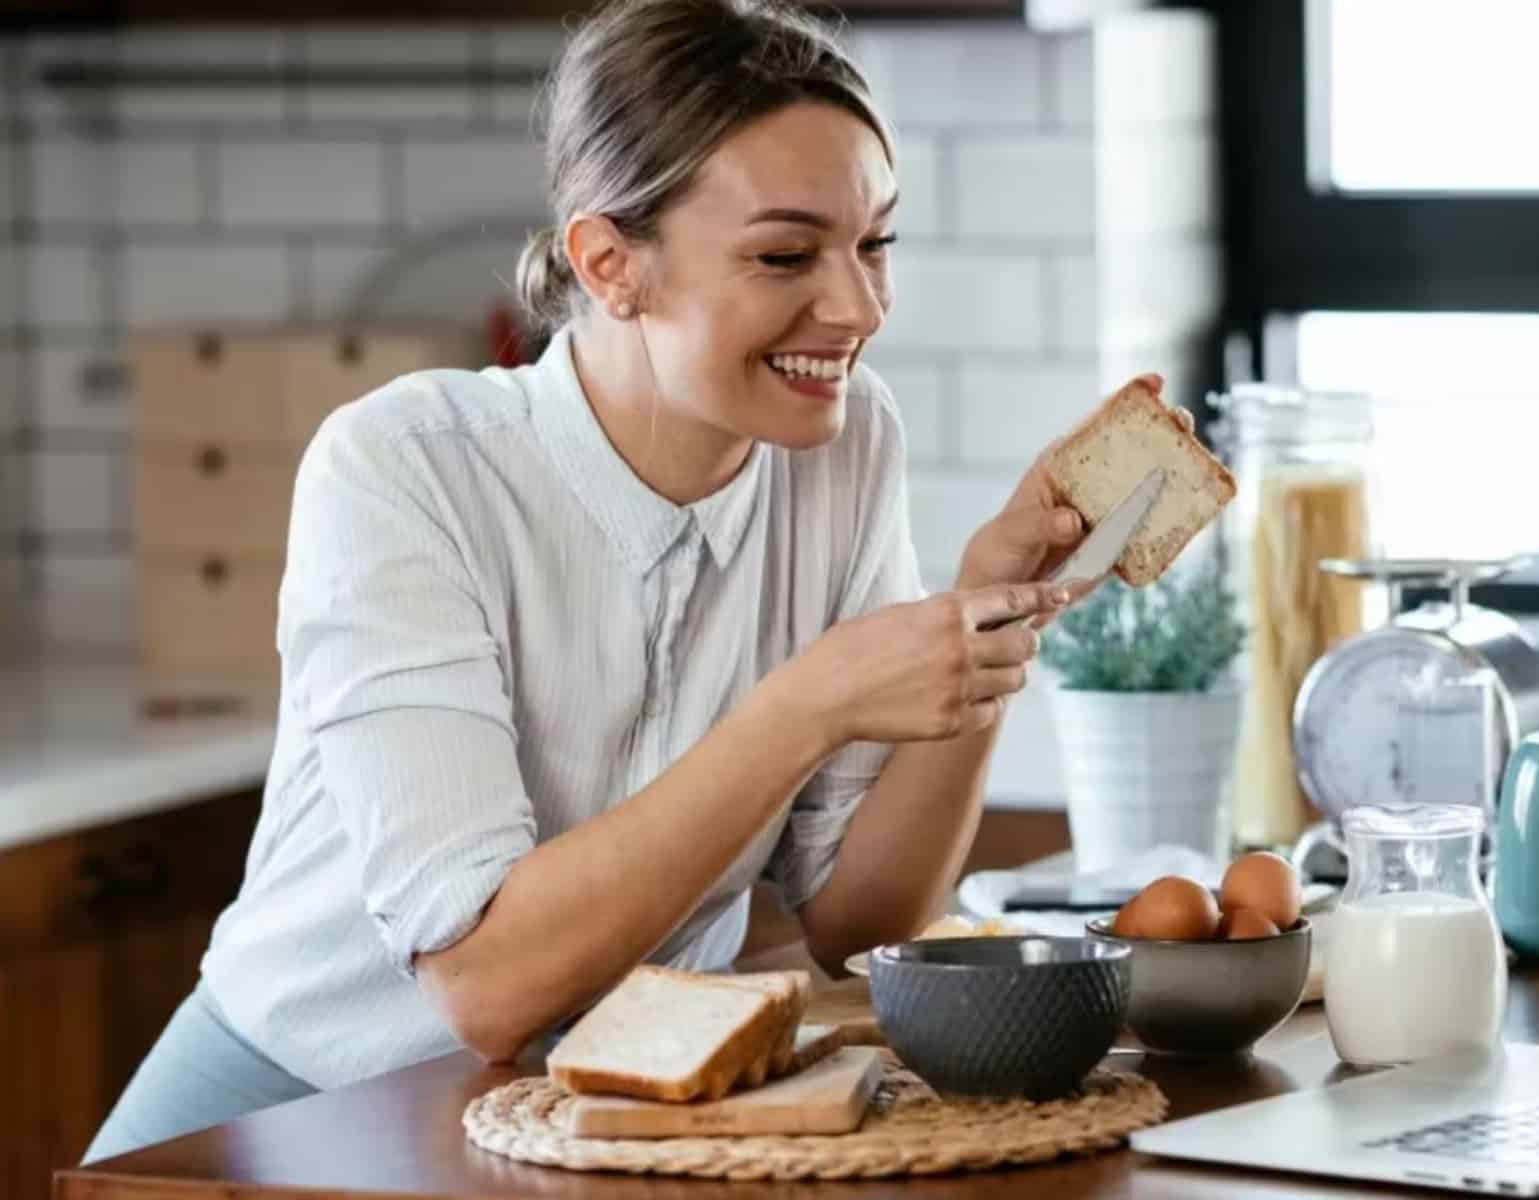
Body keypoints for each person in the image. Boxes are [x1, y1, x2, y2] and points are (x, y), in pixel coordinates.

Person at [83, 0, 1094, 1163]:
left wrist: (988, 613)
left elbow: (862, 924)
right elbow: (490, 989)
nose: (858, 308)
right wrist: (806, 702)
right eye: (785, 255)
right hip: (297, 1107)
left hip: (610, 1117)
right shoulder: (406, 465)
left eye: (875, 244)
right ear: (610, 263)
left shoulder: (847, 443)